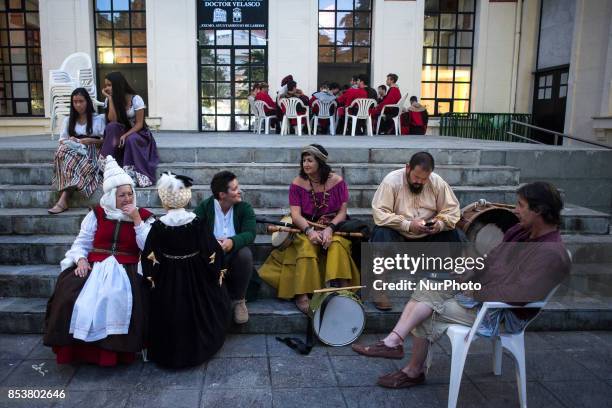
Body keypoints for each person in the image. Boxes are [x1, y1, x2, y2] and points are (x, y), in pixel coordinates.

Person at [352, 182, 571, 389]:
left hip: (501, 313)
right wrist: (473, 270)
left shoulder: (551, 253)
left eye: (521, 206)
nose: (515, 210)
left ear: (539, 211)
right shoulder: (522, 231)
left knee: (426, 311)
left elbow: (519, 295)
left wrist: (477, 291)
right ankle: (394, 342)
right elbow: (493, 258)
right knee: (427, 286)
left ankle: (411, 368)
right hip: (487, 291)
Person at [44, 156, 155, 366]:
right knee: (70, 295)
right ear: (112, 196)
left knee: (114, 297)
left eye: (130, 193)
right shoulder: (97, 214)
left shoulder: (144, 217)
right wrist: (81, 260)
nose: (127, 199)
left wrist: (136, 219)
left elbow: (148, 246)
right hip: (95, 265)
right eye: (122, 195)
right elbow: (81, 242)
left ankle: (113, 354)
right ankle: (80, 352)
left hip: (127, 267)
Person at [142, 173, 231, 368]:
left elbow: (150, 256)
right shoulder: (198, 222)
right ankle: (198, 347)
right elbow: (211, 251)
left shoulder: (158, 227)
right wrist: (215, 272)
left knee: (171, 311)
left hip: (167, 278)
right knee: (197, 310)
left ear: (164, 199)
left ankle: (171, 352)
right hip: (197, 275)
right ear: (186, 197)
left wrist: (151, 279)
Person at [258, 144, 360, 314]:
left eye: (310, 160)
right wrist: (309, 231)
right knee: (306, 247)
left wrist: (329, 229)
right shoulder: (297, 184)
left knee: (337, 245)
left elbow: (342, 213)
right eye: (304, 160)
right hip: (305, 226)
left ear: (320, 162)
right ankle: (302, 294)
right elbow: (296, 215)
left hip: (333, 225)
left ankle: (344, 290)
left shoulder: (337, 182)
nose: (306, 164)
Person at [370, 151, 462, 310]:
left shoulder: (436, 182)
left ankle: (442, 287)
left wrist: (438, 224)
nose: (419, 182)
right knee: (381, 232)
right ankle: (379, 289)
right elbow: (380, 214)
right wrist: (407, 224)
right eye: (416, 177)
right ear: (408, 168)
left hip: (427, 238)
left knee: (452, 234)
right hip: (399, 237)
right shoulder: (392, 181)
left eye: (424, 179)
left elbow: (452, 211)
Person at [194, 171, 256, 324]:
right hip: (211, 260)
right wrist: (211, 244)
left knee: (245, 254)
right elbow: (193, 232)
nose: (239, 191)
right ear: (222, 195)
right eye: (234, 189)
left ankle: (239, 301)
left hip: (235, 260)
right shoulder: (205, 207)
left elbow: (250, 233)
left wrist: (232, 242)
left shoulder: (244, 207)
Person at [48, 88, 106, 214]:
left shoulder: (98, 119)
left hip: (92, 151)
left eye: (81, 101)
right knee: (61, 151)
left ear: (87, 102)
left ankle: (63, 199)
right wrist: (72, 140)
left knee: (72, 159)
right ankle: (65, 197)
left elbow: (104, 141)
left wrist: (90, 140)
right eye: (75, 102)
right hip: (74, 150)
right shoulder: (68, 120)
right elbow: (62, 140)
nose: (78, 105)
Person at [100, 71, 159, 187]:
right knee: (112, 127)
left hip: (138, 133)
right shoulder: (110, 100)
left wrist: (126, 135)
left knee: (131, 139)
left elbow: (139, 124)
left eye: (109, 85)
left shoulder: (136, 99)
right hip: (120, 132)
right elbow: (113, 120)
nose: (107, 88)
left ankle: (132, 175)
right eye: (106, 85)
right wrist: (110, 99)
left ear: (118, 85)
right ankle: (107, 165)